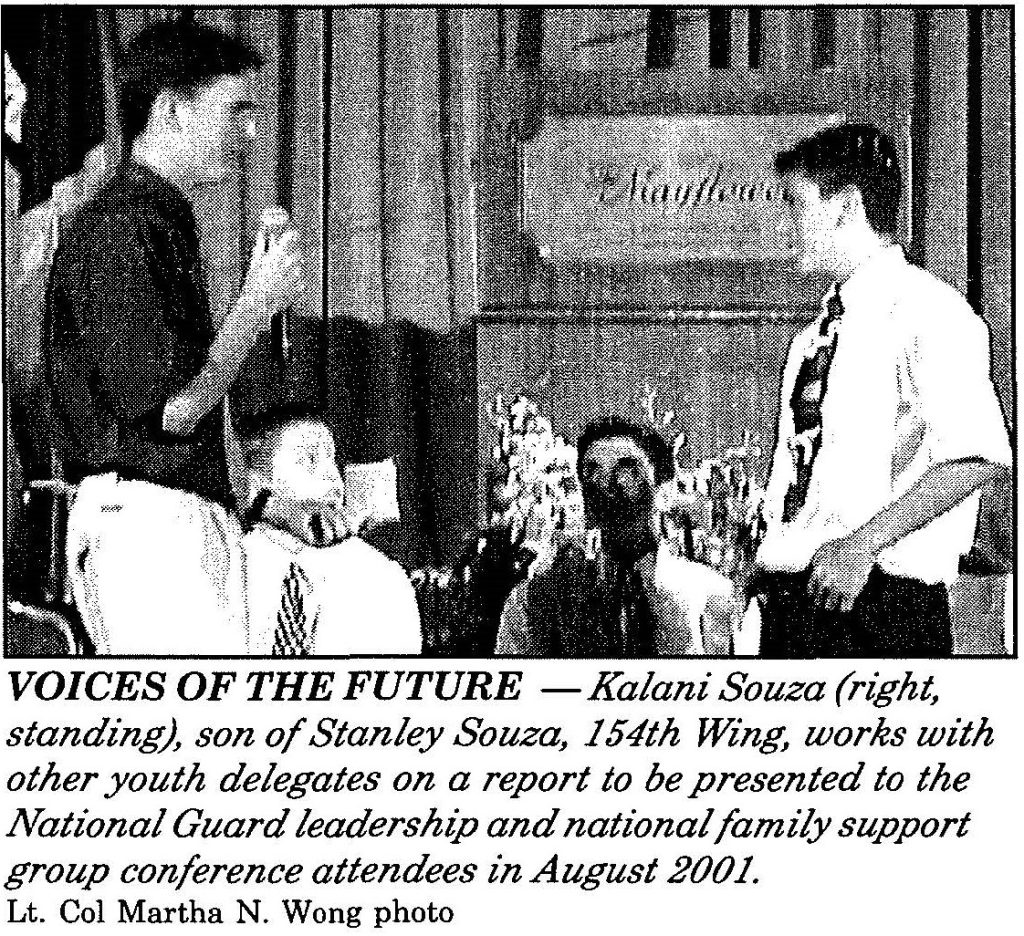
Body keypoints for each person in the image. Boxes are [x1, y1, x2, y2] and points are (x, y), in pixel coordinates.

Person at [44, 22, 347, 653]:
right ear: (172, 111)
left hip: (173, 517)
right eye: (235, 110)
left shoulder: (154, 219)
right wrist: (256, 306)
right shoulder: (120, 227)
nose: (250, 133)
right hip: (149, 525)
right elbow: (176, 411)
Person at [752, 123, 1012, 657]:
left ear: (845, 207)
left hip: (878, 612)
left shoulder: (927, 311)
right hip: (798, 603)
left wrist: (861, 547)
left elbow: (977, 456)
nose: (784, 227)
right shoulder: (814, 337)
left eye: (795, 207)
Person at [496, 417, 734, 656]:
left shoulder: (710, 593)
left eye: (629, 472)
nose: (609, 488)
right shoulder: (534, 597)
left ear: (664, 489)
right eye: (593, 473)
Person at [238, 407, 422, 655]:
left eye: (333, 460)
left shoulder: (378, 573)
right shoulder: (233, 557)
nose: (334, 477)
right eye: (311, 460)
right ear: (254, 477)